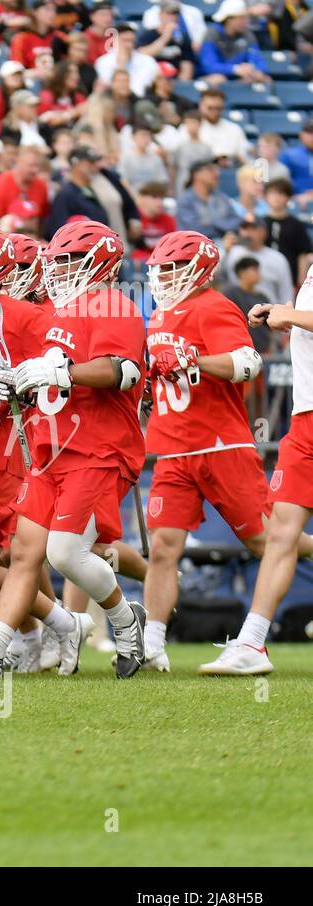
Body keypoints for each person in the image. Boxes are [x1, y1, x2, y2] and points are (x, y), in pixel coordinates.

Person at [0, 219, 149, 678]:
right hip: (51, 447)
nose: (60, 268)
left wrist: (61, 373)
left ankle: (124, 618)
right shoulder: (61, 311)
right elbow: (51, 382)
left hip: (98, 448)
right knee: (24, 552)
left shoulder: (112, 304)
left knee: (64, 553)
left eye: (70, 259)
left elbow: (124, 372)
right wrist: (19, 384)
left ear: (99, 263)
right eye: (58, 260)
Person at [140, 230, 296, 672]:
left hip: (221, 445)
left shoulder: (214, 306)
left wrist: (195, 360)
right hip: (173, 447)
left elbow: (248, 362)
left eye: (173, 267)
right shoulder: (160, 315)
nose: (164, 276)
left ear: (198, 270)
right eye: (161, 269)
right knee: (163, 546)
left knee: (266, 542)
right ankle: (151, 645)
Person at [207, 276, 313, 674]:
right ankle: (252, 642)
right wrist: (283, 314)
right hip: (303, 419)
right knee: (281, 533)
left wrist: (292, 315)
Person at [224, 214, 293, 304]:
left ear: (264, 232)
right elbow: (217, 282)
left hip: (269, 309)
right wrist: (224, 254)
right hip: (238, 308)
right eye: (244, 228)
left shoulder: (278, 259)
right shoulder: (232, 253)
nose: (248, 233)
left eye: (253, 228)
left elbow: (286, 295)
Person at [199, 0, 269, 84]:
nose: (246, 22)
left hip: (241, 78)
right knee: (218, 79)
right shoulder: (212, 34)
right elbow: (208, 66)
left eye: (246, 18)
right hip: (215, 78)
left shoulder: (247, 34)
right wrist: (234, 69)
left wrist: (255, 70)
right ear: (229, 19)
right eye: (241, 18)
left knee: (264, 78)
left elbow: (258, 60)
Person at [0, 145, 50, 230]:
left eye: (37, 166)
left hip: (31, 234)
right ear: (19, 162)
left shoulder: (41, 186)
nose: (35, 170)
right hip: (5, 234)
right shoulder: (1, 182)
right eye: (31, 165)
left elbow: (41, 220)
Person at [176, 159, 242, 242]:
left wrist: (213, 224)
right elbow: (194, 231)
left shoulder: (221, 197)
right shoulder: (185, 200)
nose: (216, 174)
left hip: (226, 242)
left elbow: (236, 221)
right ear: (196, 174)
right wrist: (223, 226)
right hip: (196, 246)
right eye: (210, 170)